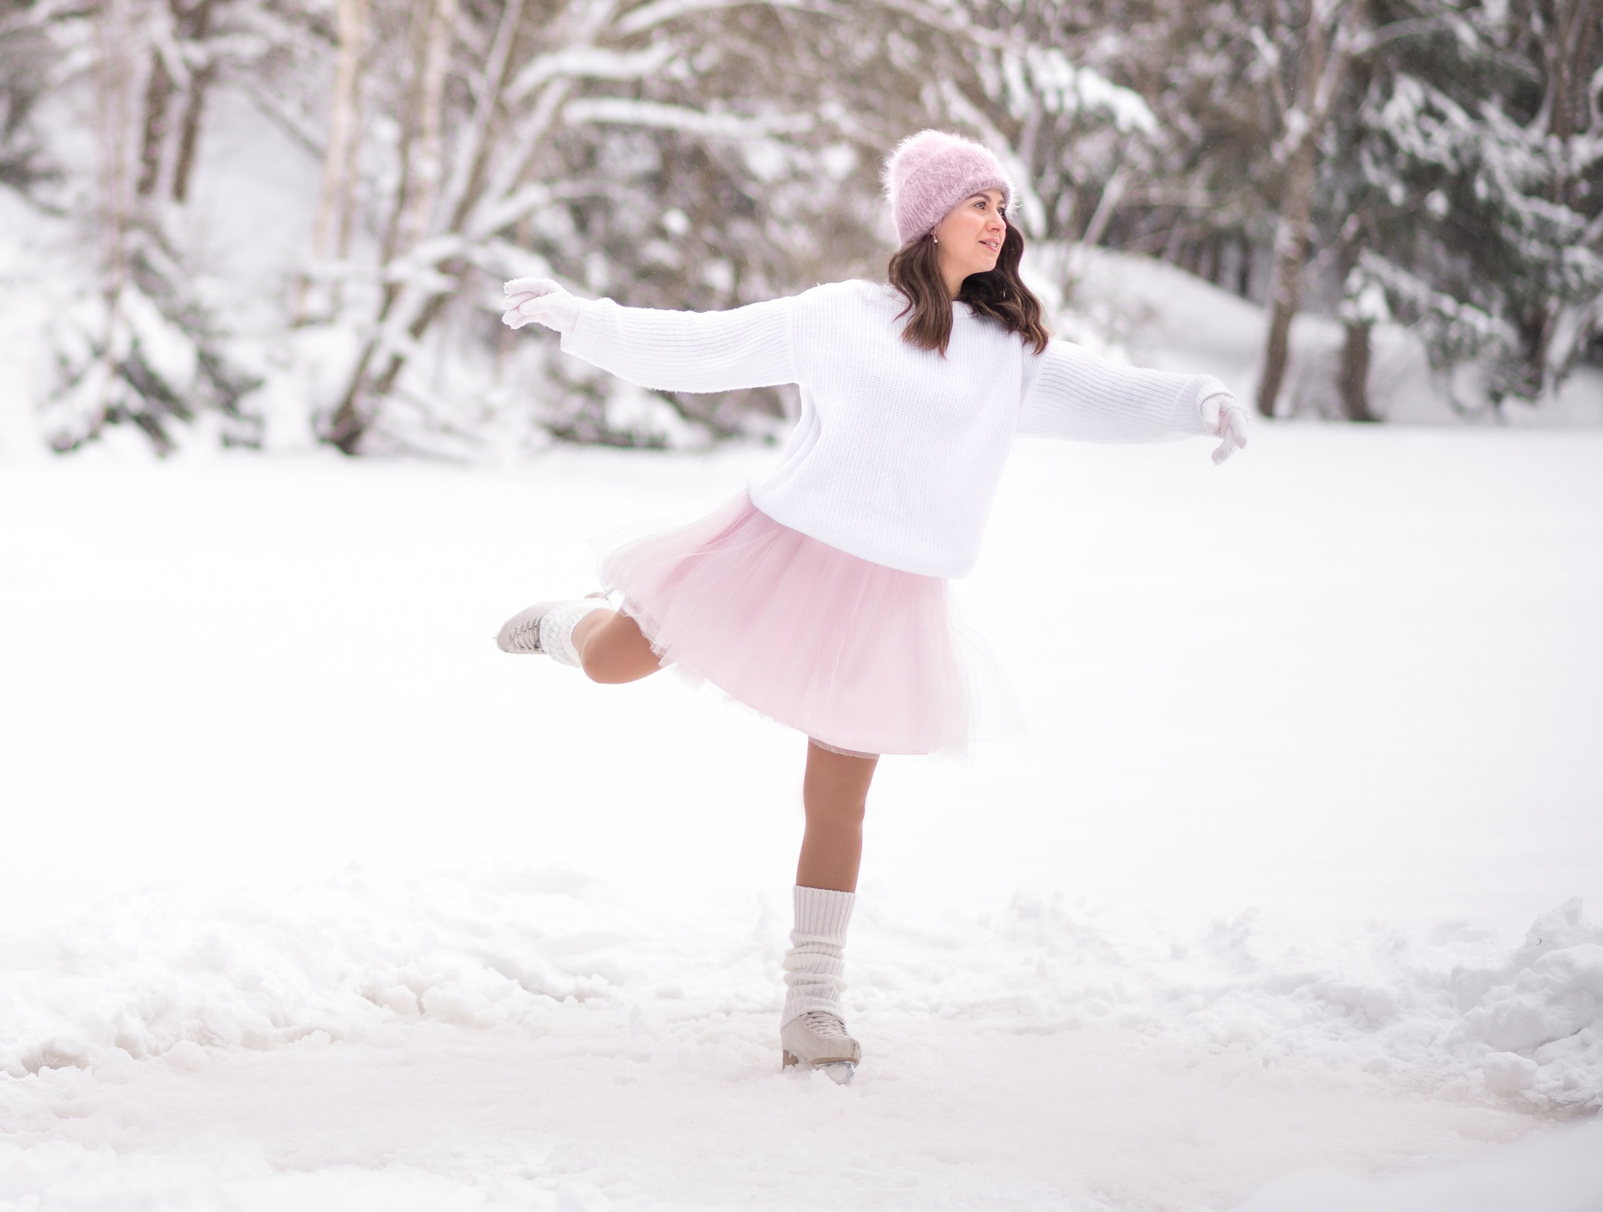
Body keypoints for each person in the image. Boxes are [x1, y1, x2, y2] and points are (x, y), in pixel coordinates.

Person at [493, 130, 1250, 1082]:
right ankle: (568, 623)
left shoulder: (1005, 350)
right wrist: (582, 319)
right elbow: (704, 344)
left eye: (1003, 207)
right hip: (778, 549)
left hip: (889, 595)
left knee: (840, 797)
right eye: (979, 202)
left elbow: (1107, 391)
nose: (996, 220)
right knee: (615, 660)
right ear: (928, 217)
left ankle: (812, 999)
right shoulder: (840, 316)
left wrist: (1199, 399)